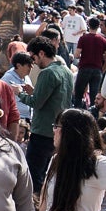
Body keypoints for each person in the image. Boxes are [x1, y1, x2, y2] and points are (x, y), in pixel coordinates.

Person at [24, 39, 73, 190]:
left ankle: (36, 208)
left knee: (35, 175)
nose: (33, 62)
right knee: (51, 176)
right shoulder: (67, 72)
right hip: (59, 131)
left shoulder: (47, 73)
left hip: (42, 131)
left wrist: (19, 94)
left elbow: (37, 103)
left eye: (33, 57)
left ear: (41, 53)